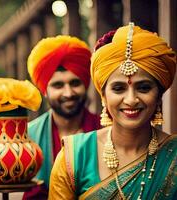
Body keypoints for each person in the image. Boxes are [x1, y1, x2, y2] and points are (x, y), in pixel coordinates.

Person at [49, 23, 177, 199]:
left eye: (144, 88)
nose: (131, 100)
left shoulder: (174, 155)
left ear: (159, 94)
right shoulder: (74, 156)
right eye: (118, 88)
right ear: (104, 95)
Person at [24, 35, 101, 199]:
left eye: (75, 83)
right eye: (58, 85)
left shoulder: (106, 129)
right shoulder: (28, 137)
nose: (68, 93)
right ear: (45, 90)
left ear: (85, 84)